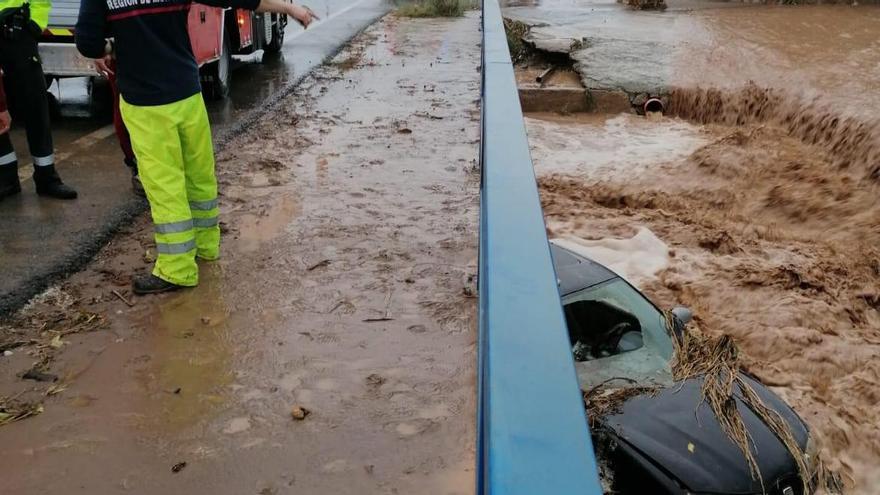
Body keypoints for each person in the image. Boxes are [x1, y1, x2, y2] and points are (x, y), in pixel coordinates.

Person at [75, 0, 315, 294]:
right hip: (187, 95)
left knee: (165, 186)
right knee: (199, 176)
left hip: (145, 102)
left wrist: (112, 48)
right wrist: (291, 9)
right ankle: (206, 246)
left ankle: (177, 270)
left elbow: (88, 43)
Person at [0, 0, 78, 201]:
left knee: (35, 107)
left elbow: (41, 2)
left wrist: (34, 25)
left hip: (19, 32)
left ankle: (47, 178)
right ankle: (7, 178)